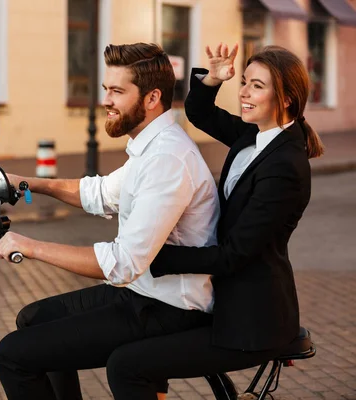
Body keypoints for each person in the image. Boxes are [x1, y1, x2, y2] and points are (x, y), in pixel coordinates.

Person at [0, 42, 220, 400]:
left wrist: (31, 246)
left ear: (151, 98)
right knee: (34, 318)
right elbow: (97, 193)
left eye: (117, 91)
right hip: (142, 294)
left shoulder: (167, 159)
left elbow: (124, 263)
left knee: (12, 356)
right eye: (106, 90)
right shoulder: (150, 148)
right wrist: (26, 183)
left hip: (168, 308)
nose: (107, 101)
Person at [104, 44, 325, 399]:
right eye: (245, 81)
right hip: (223, 298)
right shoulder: (254, 137)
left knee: (128, 365)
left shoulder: (285, 166)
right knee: (140, 348)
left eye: (257, 86)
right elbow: (199, 111)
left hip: (251, 317)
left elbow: (233, 255)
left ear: (286, 99)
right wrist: (213, 78)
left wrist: (154, 257)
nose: (244, 92)